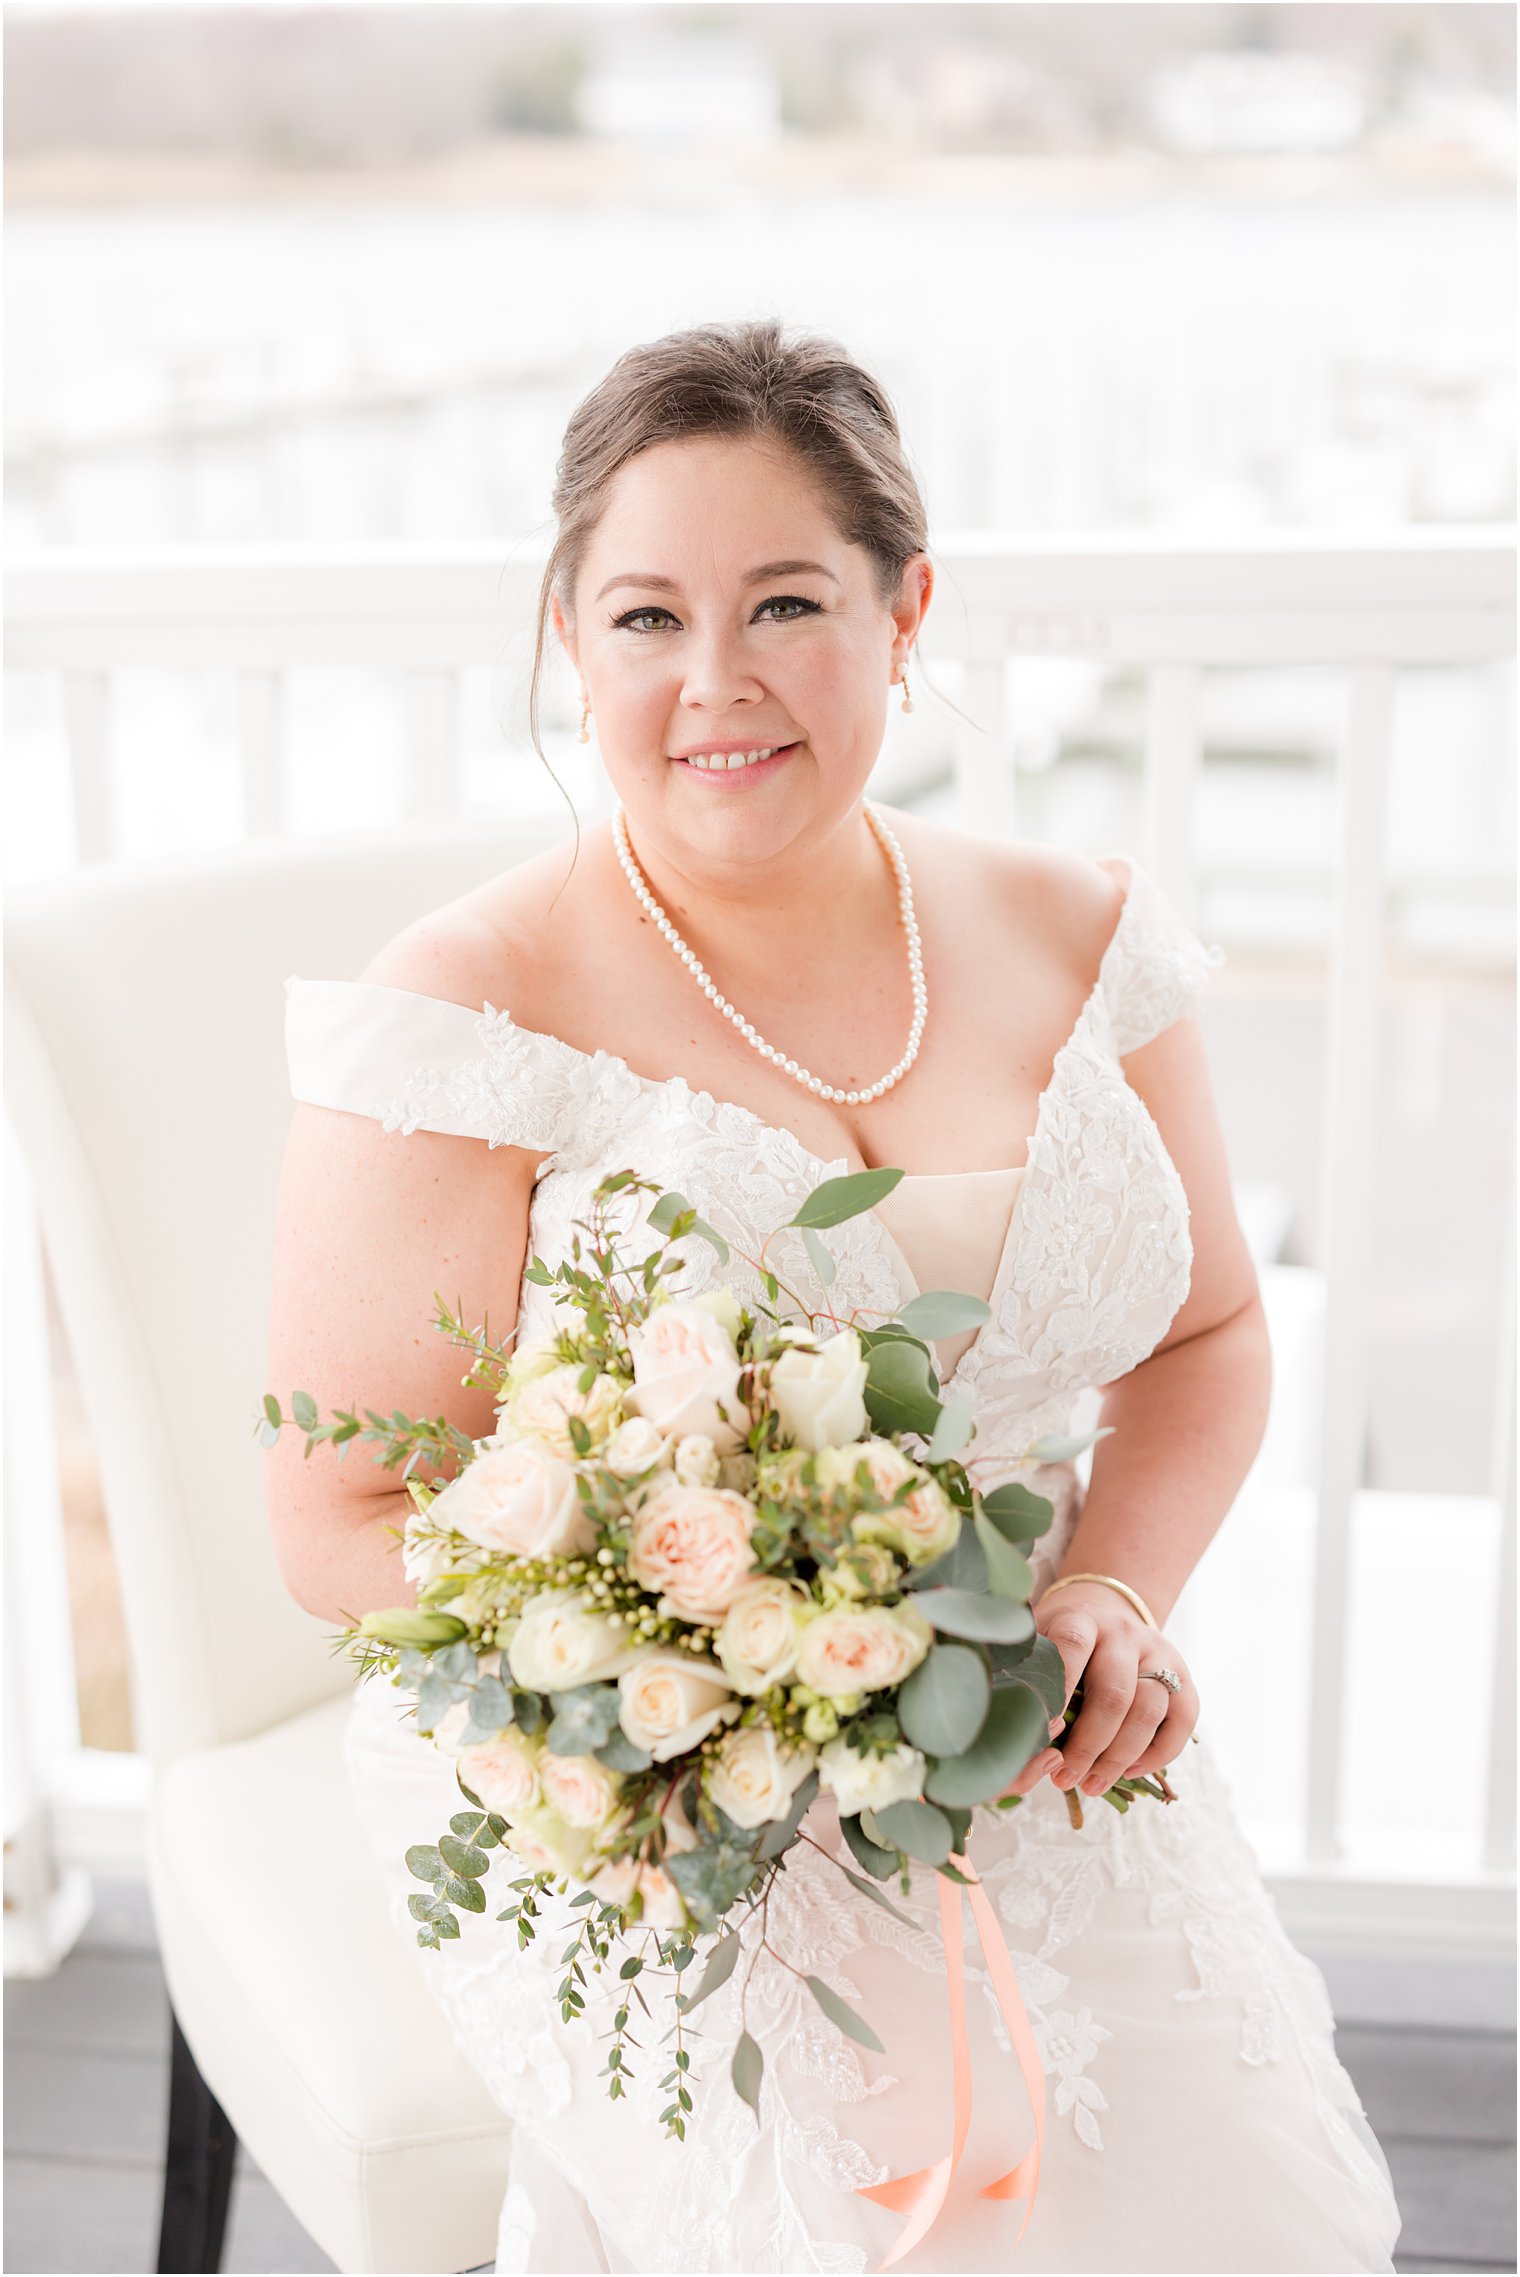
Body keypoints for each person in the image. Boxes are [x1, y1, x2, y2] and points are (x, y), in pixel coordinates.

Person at [268, 316, 1402, 2274]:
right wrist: (706, 1651)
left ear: (906, 608)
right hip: (637, 1772)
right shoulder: (467, 1008)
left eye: (786, 599)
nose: (716, 682)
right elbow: (337, 1512)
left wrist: (1108, 1589)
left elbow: (1209, 1334)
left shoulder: (1086, 936)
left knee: (1239, 2207)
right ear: (568, 637)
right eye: (644, 617)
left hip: (1027, 1704)